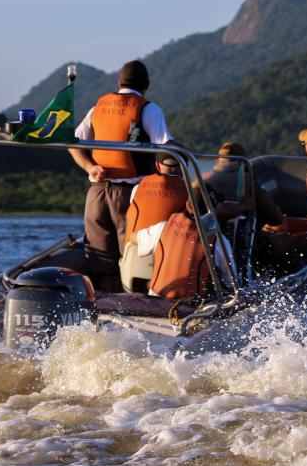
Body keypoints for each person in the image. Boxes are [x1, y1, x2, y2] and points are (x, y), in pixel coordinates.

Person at [68, 60, 172, 290]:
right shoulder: (148, 109)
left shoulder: (98, 107)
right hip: (130, 194)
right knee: (131, 251)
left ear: (119, 83)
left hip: (96, 193)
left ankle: (103, 301)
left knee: (100, 258)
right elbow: (167, 149)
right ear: (146, 85)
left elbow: (73, 143)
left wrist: (90, 167)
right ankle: (131, 304)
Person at [136, 195, 235, 299]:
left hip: (157, 301)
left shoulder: (162, 227)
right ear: (213, 211)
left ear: (187, 205)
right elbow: (230, 281)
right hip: (192, 307)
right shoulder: (219, 241)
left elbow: (133, 238)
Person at [204, 142, 287, 233]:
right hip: (238, 243)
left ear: (217, 161)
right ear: (244, 163)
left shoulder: (203, 182)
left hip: (208, 238)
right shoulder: (250, 183)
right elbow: (276, 219)